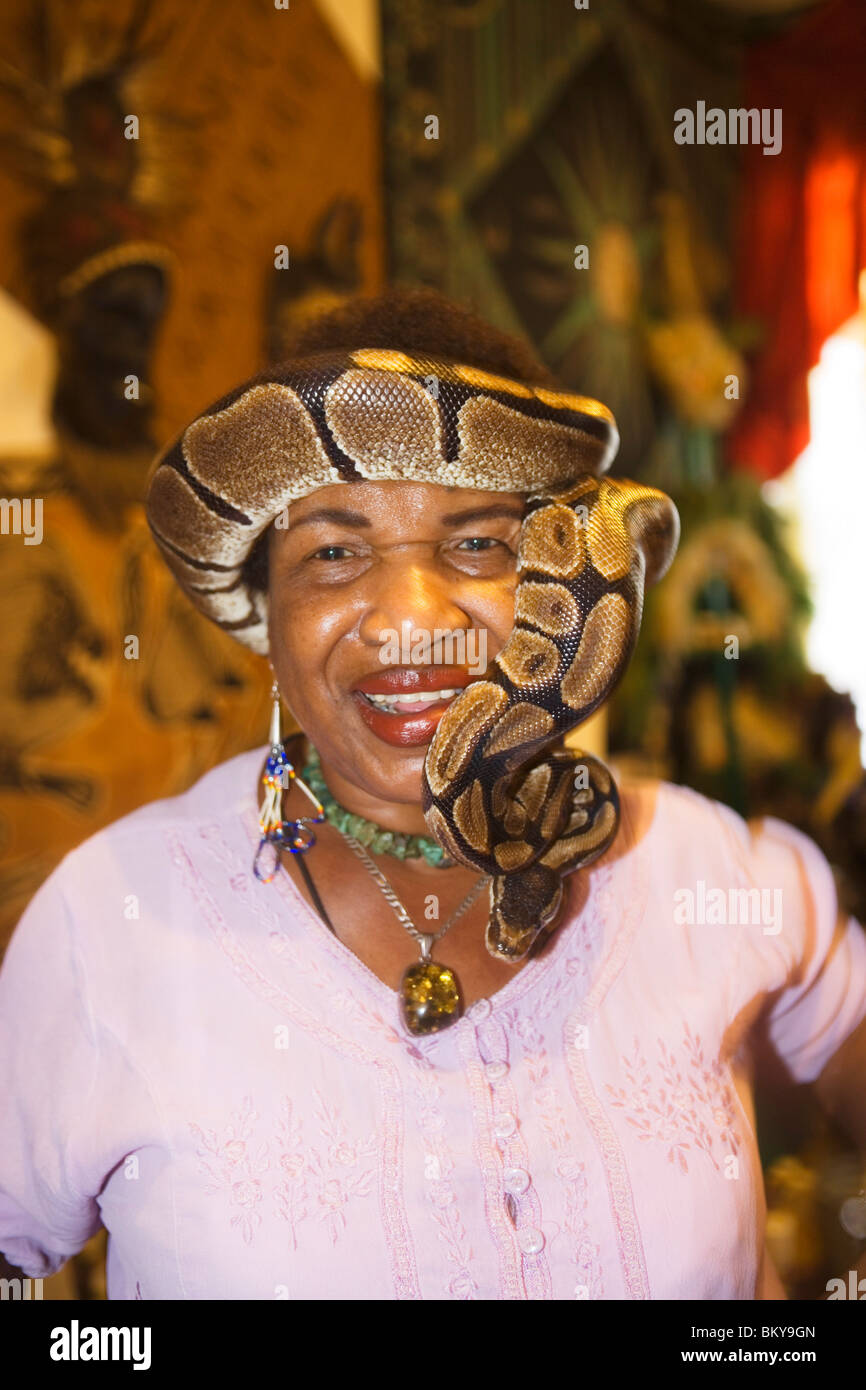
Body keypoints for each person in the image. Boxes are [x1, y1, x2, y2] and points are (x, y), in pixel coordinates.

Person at [1, 288, 864, 1300]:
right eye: (333, 552)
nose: (411, 621)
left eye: (477, 543)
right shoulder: (110, 919)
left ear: (555, 582)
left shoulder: (701, 867)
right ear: (266, 612)